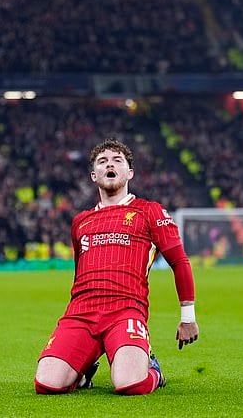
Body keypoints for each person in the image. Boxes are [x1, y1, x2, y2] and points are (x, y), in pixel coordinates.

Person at [34, 138, 199, 395]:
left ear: (129, 172)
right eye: (102, 161)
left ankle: (153, 369)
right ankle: (84, 369)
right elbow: (80, 274)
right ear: (93, 175)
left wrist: (187, 317)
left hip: (125, 311)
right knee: (47, 384)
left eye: (117, 160)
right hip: (81, 313)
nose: (109, 164)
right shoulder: (81, 222)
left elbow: (179, 262)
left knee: (130, 384)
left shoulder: (149, 211)